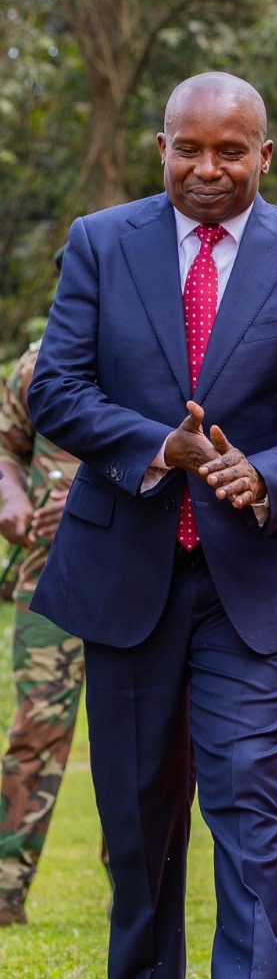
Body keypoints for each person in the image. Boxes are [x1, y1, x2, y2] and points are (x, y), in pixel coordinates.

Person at [29, 73, 277, 979]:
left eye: (232, 151)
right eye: (190, 150)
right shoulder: (99, 242)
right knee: (138, 814)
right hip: (128, 565)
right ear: (161, 146)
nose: (209, 171)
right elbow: (56, 388)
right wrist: (157, 444)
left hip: (253, 577)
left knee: (242, 789)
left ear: (266, 155)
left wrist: (265, 472)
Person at [0, 249, 84, 926]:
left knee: (145, 748)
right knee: (32, 734)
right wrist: (13, 502)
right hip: (46, 585)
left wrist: (89, 498)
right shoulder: (36, 365)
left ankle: (141, 906)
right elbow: (6, 447)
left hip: (140, 582)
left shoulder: (160, 359)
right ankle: (4, 890)